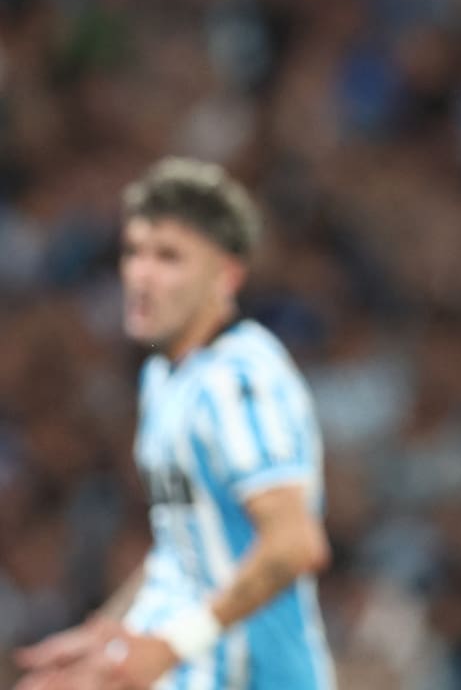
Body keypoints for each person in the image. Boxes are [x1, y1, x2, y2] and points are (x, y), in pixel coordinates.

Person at [14, 157, 335, 690]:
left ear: (226, 276)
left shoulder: (238, 381)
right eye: (134, 252)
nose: (141, 274)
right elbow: (183, 548)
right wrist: (110, 635)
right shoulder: (165, 376)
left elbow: (295, 543)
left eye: (170, 258)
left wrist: (167, 646)